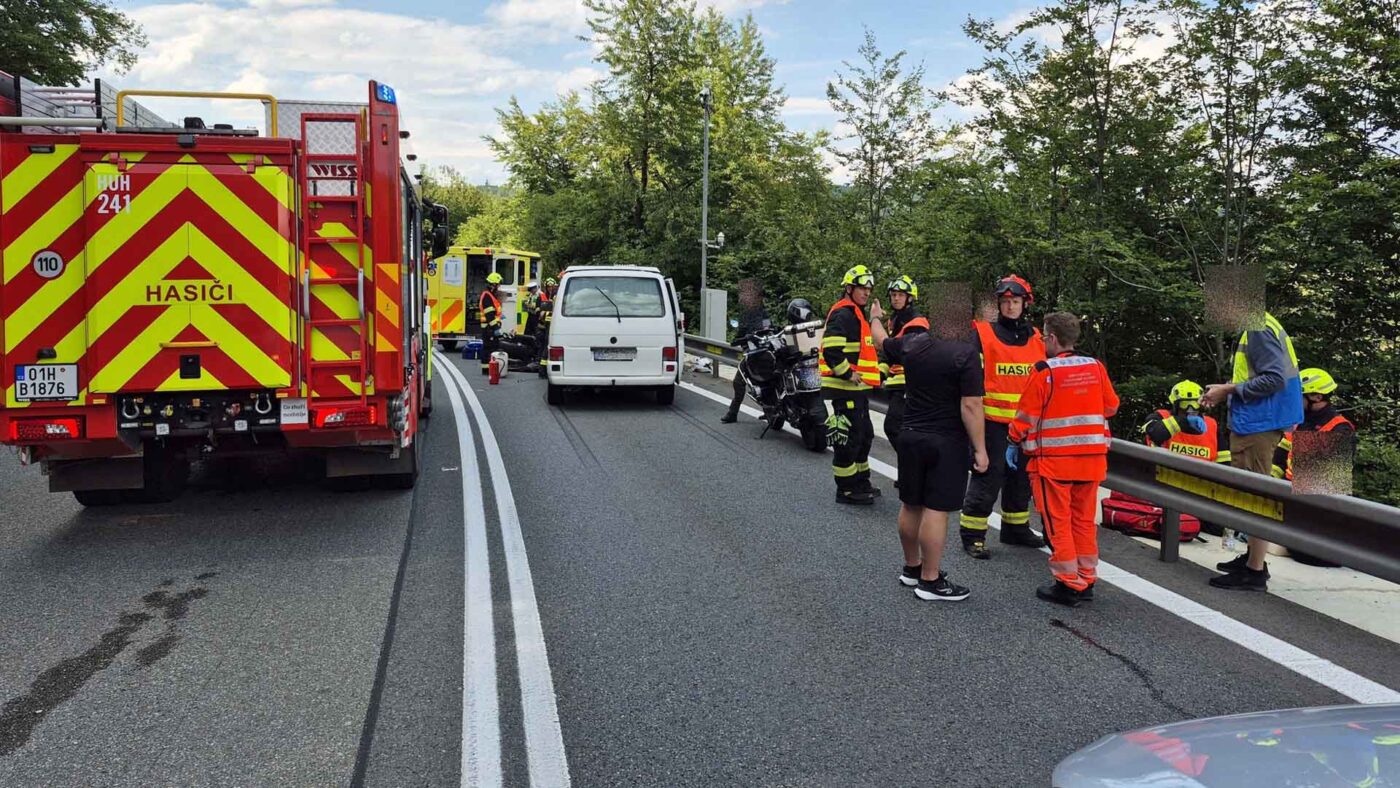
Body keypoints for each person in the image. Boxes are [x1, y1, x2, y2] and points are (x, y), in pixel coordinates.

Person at [869, 294, 987, 601]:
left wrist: (874, 317)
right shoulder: (966, 353)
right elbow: (971, 405)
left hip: (910, 435)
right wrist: (981, 449)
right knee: (936, 509)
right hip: (946, 441)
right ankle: (931, 581)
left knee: (911, 504)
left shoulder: (914, 343)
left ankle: (912, 568)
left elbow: (881, 342)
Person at [1006, 312, 1120, 607]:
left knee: (1058, 523)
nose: (1044, 342)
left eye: (1044, 337)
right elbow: (1111, 406)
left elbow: (1026, 416)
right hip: (1092, 460)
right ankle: (1087, 578)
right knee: (1083, 522)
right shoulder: (1095, 367)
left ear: (1053, 339)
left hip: (1053, 463)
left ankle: (1068, 584)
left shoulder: (1045, 371)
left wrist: (1012, 440)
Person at [1200, 310, 1304, 592]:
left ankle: (1254, 571)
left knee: (1254, 494)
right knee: (1254, 491)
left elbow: (1274, 379)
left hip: (1258, 423)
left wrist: (1229, 390)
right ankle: (1253, 559)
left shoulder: (1258, 329)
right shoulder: (1264, 324)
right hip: (1262, 420)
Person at [960, 275, 1047, 558]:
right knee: (988, 476)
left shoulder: (1037, 338)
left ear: (1025, 304)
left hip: (1026, 425)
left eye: (1015, 302)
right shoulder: (983, 333)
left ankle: (1015, 527)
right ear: (999, 304)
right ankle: (973, 534)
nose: (1010, 307)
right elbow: (968, 376)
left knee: (1021, 478)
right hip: (992, 423)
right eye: (1006, 302)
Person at [819, 265, 882, 505]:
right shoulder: (844, 313)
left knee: (864, 435)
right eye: (861, 288)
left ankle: (861, 480)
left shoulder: (856, 313)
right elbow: (832, 349)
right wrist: (848, 374)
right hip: (844, 388)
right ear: (849, 288)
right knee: (850, 437)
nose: (866, 293)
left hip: (857, 390)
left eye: (868, 289)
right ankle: (846, 489)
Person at [879, 275, 928, 448]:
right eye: (893, 295)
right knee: (903, 430)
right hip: (897, 386)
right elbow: (888, 355)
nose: (896, 298)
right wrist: (879, 373)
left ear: (910, 297)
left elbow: (906, 352)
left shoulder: (917, 322)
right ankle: (909, 471)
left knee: (893, 427)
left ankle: (913, 468)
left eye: (900, 295)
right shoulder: (895, 319)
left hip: (910, 385)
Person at [1141, 380, 1231, 465]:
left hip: (1201, 480)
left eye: (1195, 403)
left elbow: (1224, 461)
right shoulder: (1160, 417)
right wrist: (1184, 421)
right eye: (1184, 404)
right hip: (1164, 479)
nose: (1190, 409)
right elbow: (1155, 433)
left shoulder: (1211, 425)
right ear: (1175, 405)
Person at [721, 282, 774, 424]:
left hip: (755, 355)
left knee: (739, 381)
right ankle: (769, 411)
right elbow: (770, 329)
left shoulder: (749, 314)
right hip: (768, 352)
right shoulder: (764, 312)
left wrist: (737, 339)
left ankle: (733, 413)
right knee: (767, 381)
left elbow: (741, 332)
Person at [477, 271, 504, 375]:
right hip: (489, 327)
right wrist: (495, 328)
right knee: (489, 348)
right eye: (498, 284)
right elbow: (489, 315)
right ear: (493, 284)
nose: (499, 287)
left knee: (490, 348)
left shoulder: (490, 295)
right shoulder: (487, 296)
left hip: (489, 327)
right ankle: (487, 369)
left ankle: (489, 368)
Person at [535, 277, 556, 378]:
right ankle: (542, 371)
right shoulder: (541, 297)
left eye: (552, 287)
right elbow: (538, 312)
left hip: (551, 325)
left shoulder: (556, 296)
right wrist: (543, 313)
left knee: (546, 347)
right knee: (544, 348)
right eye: (548, 287)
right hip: (543, 326)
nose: (550, 289)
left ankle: (543, 370)